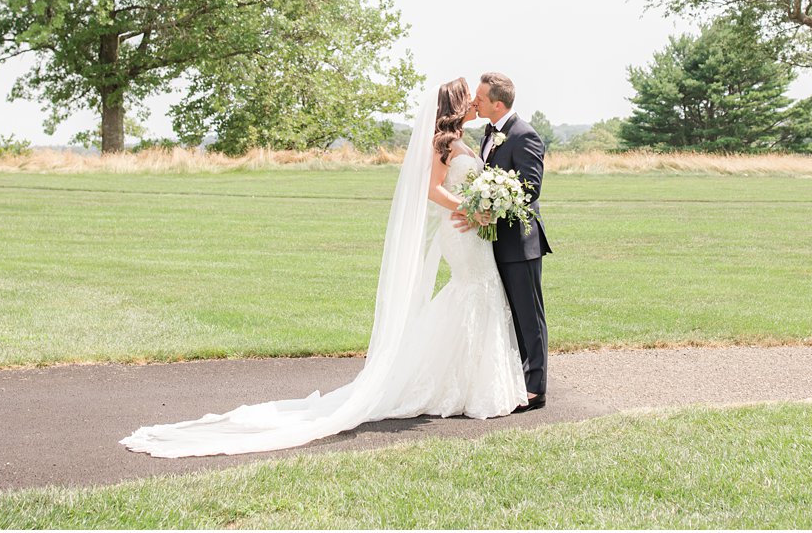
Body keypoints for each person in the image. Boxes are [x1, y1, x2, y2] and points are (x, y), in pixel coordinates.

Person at [119, 78, 528, 458]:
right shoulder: (444, 143)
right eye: (469, 99)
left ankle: (470, 381)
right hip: (462, 232)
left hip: (471, 232)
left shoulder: (466, 141)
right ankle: (462, 386)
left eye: (479, 98)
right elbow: (431, 189)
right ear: (458, 106)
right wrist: (472, 208)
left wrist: (480, 209)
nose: (474, 103)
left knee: (476, 293)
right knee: (474, 290)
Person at [455, 71, 553, 411]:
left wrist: (494, 203)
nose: (475, 103)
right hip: (493, 242)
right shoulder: (489, 133)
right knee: (509, 315)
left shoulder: (524, 135)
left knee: (529, 315)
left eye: (480, 99)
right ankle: (516, 378)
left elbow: (529, 189)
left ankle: (536, 387)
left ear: (498, 103)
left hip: (521, 243)